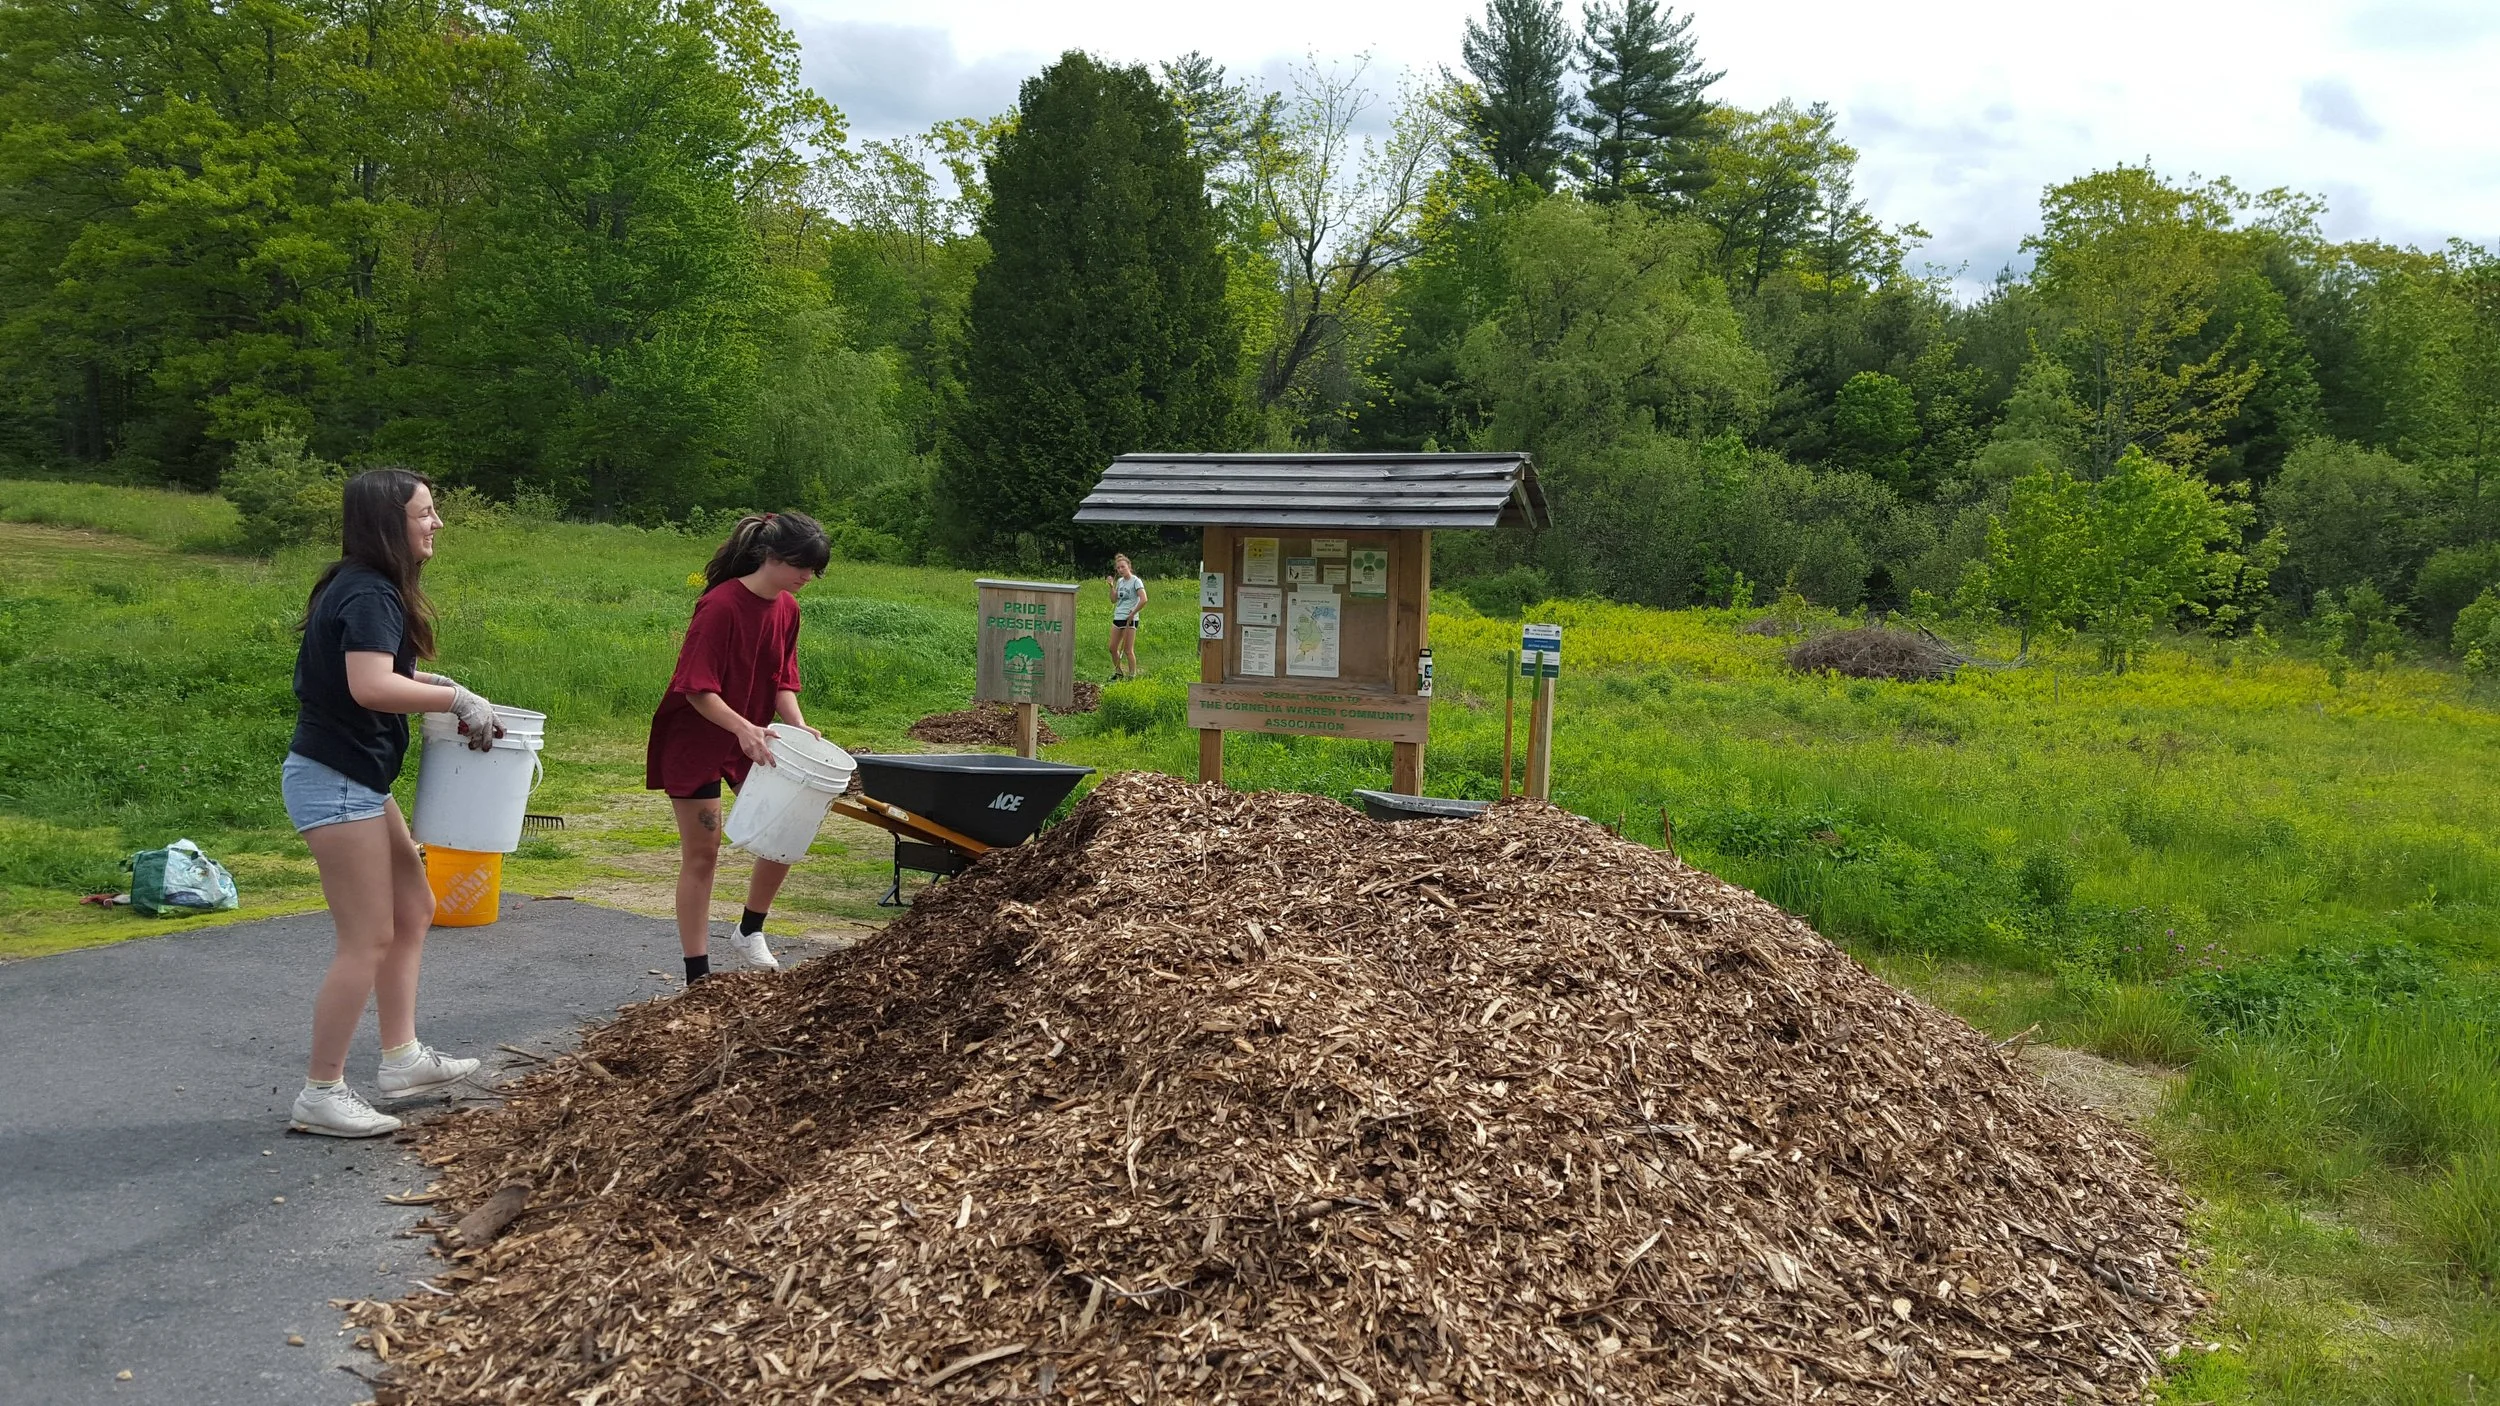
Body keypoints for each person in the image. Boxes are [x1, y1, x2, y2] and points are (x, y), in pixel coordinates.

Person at [285, 469, 502, 1138]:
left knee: (414, 907)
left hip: (356, 780)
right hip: (336, 779)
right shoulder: (371, 592)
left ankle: (402, 1059)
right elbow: (373, 687)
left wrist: (447, 685)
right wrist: (456, 701)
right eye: (425, 513)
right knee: (368, 936)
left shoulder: (358, 585)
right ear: (390, 524)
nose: (436, 524)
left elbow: (394, 675)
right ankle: (321, 1092)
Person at [646, 512, 832, 983]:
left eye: (815, 570)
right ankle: (698, 975)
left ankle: (750, 930)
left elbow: (781, 681)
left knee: (786, 831)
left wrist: (798, 726)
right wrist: (744, 729)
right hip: (698, 737)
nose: (809, 577)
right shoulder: (720, 606)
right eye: (803, 567)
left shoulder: (788, 609)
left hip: (757, 737)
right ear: (773, 556)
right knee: (703, 852)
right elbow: (695, 689)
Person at [1106, 553, 1146, 681]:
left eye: (1123, 567)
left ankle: (1132, 676)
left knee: (1128, 650)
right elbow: (1113, 600)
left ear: (1129, 566)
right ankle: (1118, 672)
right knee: (1112, 648)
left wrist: (1133, 613)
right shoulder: (1120, 581)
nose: (1120, 570)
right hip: (1118, 617)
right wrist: (1111, 587)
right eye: (1118, 568)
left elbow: (1144, 599)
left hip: (1130, 618)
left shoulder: (1136, 581)